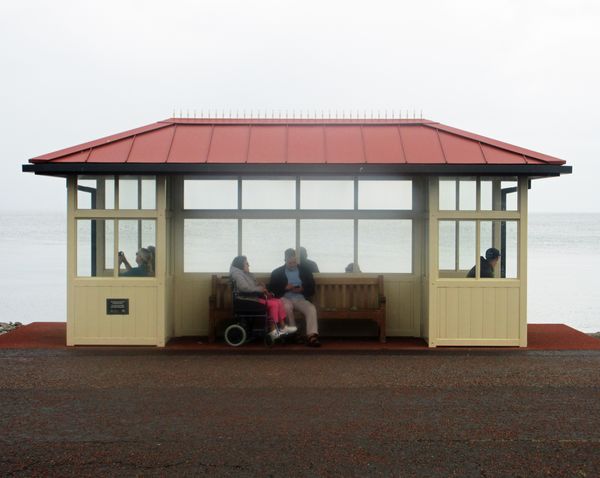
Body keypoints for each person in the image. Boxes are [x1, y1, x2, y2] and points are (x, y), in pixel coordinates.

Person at [230, 255, 297, 339]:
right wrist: (260, 289)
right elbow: (244, 288)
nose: (248, 265)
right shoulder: (238, 274)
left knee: (279, 301)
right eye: (246, 263)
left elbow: (250, 286)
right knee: (274, 304)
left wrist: (258, 285)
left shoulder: (244, 274)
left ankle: (282, 327)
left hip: (252, 298)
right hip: (247, 300)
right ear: (240, 265)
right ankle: (273, 330)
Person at [269, 248, 321, 347]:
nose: (292, 265)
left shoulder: (305, 271)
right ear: (285, 260)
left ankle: (312, 335)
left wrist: (302, 289)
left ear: (296, 260)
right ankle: (294, 334)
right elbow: (272, 290)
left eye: (294, 262)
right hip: (284, 298)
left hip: (299, 298)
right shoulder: (277, 272)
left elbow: (311, 288)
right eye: (290, 263)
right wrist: (285, 288)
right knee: (287, 308)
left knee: (311, 309)